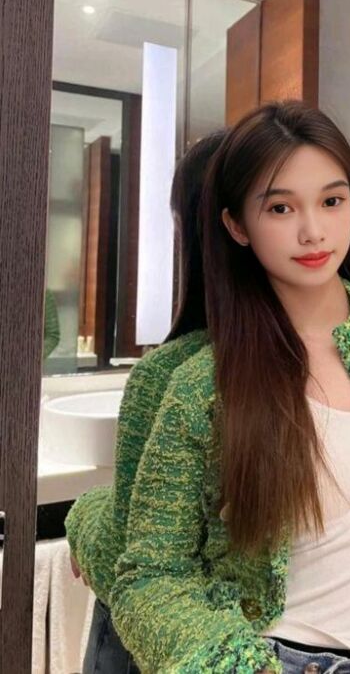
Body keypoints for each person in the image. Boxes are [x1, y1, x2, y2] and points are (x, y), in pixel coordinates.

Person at [109, 101, 350, 674]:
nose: (314, 230)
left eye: (332, 201)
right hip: (272, 659)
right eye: (280, 207)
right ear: (237, 226)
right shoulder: (201, 386)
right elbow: (150, 577)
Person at [65, 129, 228, 674]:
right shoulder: (347, 358)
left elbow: (130, 558)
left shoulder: (172, 375)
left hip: (180, 644)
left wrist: (85, 515)